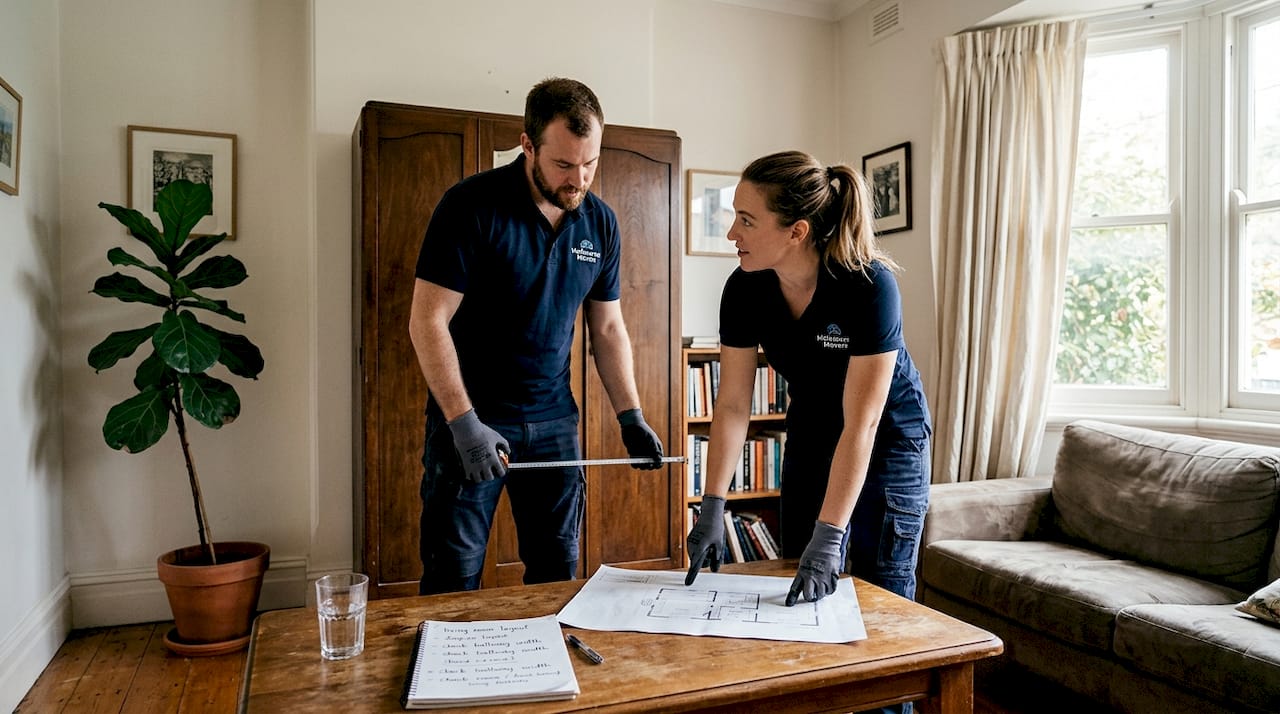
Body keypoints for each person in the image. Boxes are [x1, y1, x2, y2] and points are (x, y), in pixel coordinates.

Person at [408, 77, 664, 595]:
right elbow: (427, 321)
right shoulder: (470, 205)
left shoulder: (600, 223)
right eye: (564, 165)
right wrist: (463, 424)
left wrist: (630, 415)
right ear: (528, 145)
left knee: (555, 573)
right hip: (471, 424)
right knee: (452, 577)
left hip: (553, 424)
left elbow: (608, 327)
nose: (578, 179)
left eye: (589, 163)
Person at [685, 150, 931, 655]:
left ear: (796, 231)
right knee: (798, 594)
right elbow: (732, 406)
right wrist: (712, 505)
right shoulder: (743, 288)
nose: (732, 232)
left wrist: (832, 533)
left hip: (886, 441)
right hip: (813, 431)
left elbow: (861, 426)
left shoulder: (868, 286)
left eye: (746, 220)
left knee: (880, 607)